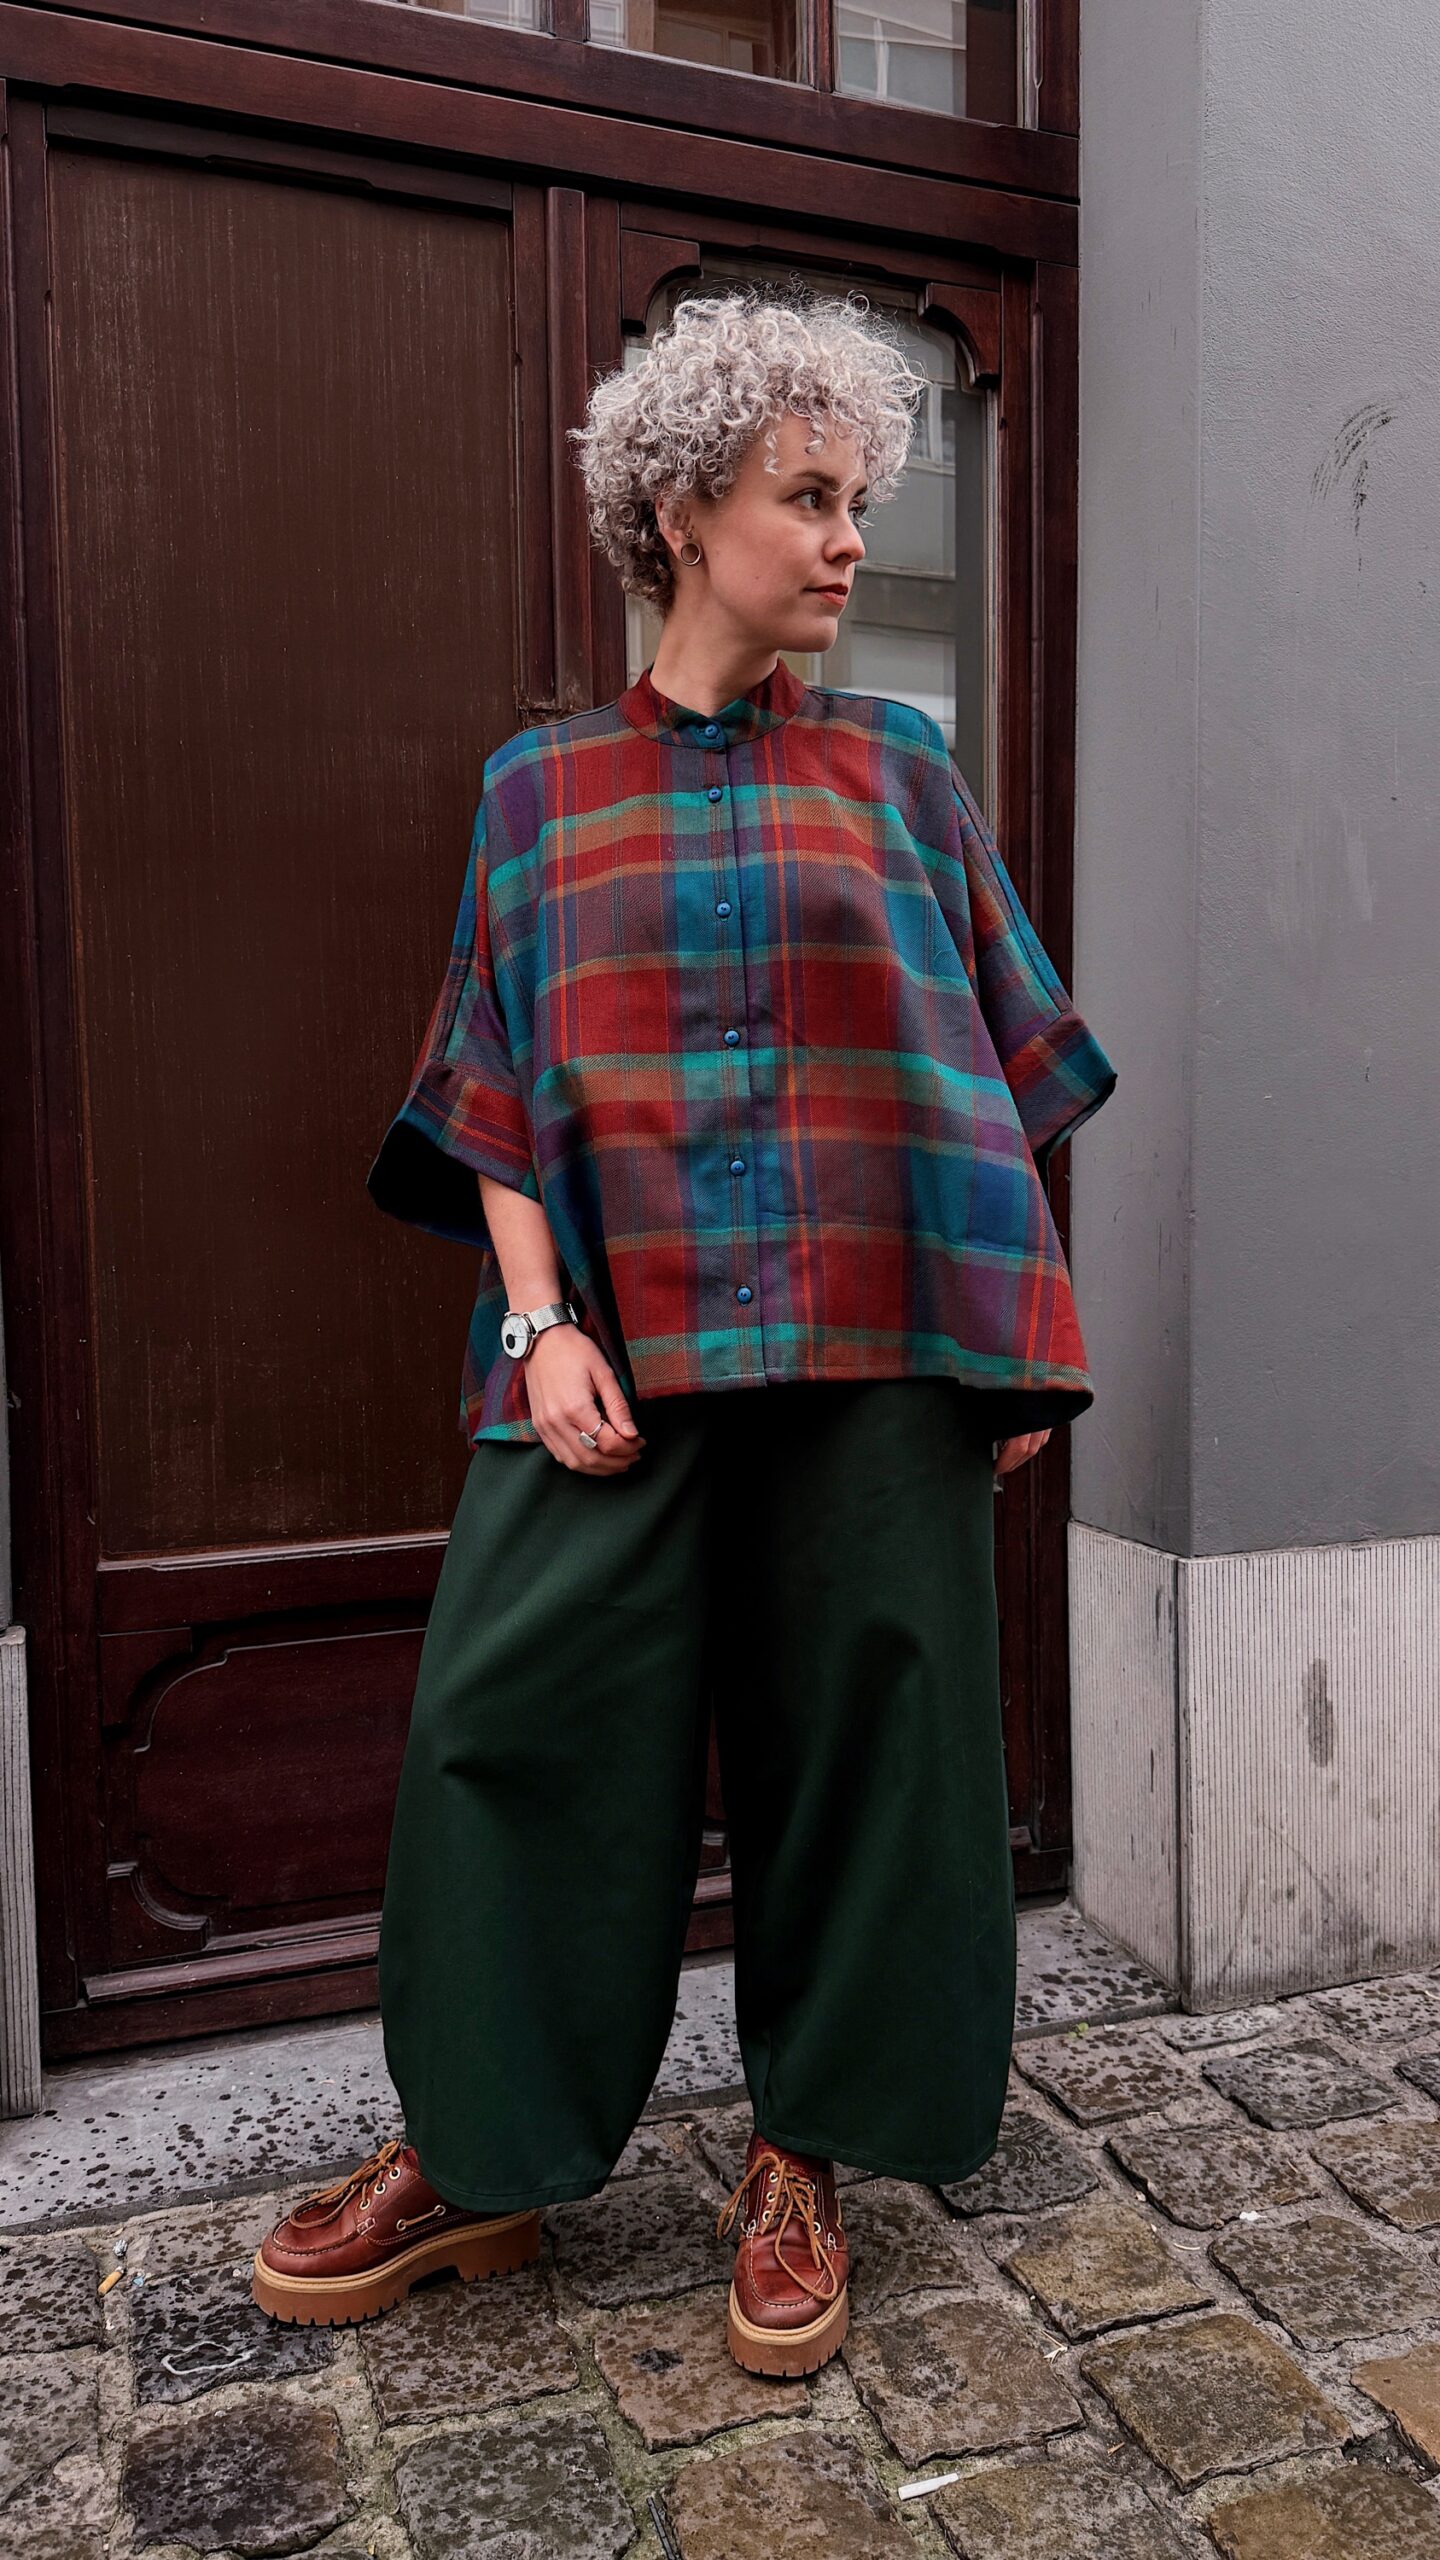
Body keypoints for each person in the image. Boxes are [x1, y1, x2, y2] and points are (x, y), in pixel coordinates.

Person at [252, 284, 1117, 2376]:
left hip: (881, 1349)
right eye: (806, 496)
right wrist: (536, 1326)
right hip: (615, 1353)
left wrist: (1005, 1347)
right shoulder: (538, 793)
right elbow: (493, 1086)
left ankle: (802, 2151)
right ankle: (478, 2151)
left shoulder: (901, 771)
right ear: (680, 509)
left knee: (870, 1748)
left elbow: (996, 1066)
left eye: (856, 498)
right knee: (510, 1722)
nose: (848, 537)